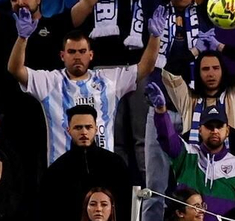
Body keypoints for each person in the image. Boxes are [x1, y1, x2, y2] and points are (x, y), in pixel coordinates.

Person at [11, 10, 163, 164]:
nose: (77, 56)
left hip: (102, 172)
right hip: (63, 173)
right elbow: (15, 69)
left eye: (82, 51)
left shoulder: (109, 80)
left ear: (91, 55)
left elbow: (146, 67)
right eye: (72, 52)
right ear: (62, 56)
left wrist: (156, 37)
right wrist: (22, 38)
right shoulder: (49, 81)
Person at [150, 90, 235, 221]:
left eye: (219, 126)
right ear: (199, 130)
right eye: (209, 126)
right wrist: (161, 112)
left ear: (227, 130)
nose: (214, 131)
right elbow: (168, 138)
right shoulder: (187, 154)